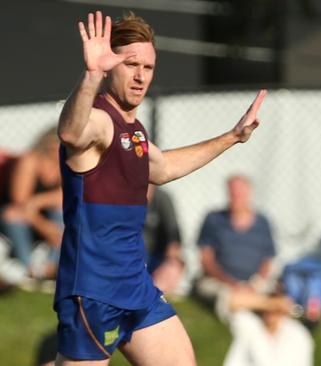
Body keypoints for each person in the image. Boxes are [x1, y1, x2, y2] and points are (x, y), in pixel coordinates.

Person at [54, 11, 267, 365]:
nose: (140, 77)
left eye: (148, 68)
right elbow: (71, 132)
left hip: (136, 289)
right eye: (130, 64)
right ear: (110, 66)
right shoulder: (100, 121)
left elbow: (164, 167)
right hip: (93, 294)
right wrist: (91, 75)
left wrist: (233, 137)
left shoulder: (133, 130)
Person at [195, 175, 293, 321]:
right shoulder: (214, 219)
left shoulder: (263, 222)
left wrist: (254, 285)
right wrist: (232, 284)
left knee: (269, 288)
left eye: (240, 193)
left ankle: (253, 303)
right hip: (221, 282)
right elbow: (206, 260)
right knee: (226, 297)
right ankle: (269, 305)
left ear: (249, 194)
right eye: (232, 193)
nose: (236, 197)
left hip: (254, 283)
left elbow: (268, 260)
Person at [1, 126, 63, 280]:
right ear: (47, 143)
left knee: (63, 211)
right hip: (24, 215)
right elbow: (20, 201)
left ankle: (51, 266)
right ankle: (28, 266)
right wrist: (44, 227)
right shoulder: (30, 160)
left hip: (45, 214)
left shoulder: (67, 163)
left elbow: (67, 196)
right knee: (12, 215)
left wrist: (37, 201)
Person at [143, 185, 184, 295]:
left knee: (172, 268)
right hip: (126, 255)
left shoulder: (162, 199)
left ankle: (150, 296)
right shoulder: (122, 194)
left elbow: (173, 234)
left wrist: (172, 261)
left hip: (153, 258)